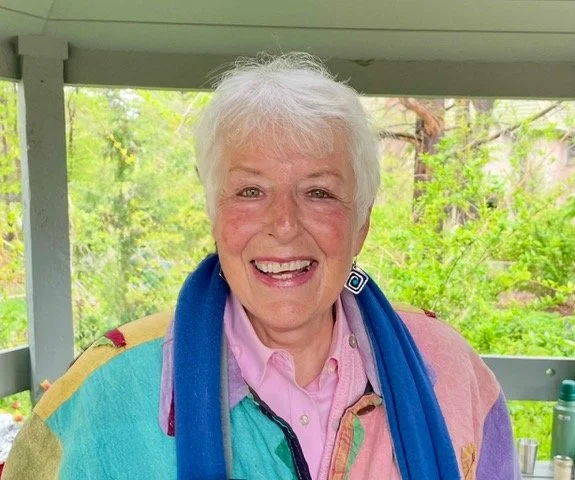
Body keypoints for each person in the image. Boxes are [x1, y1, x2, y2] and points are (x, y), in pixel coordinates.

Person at [3, 53, 520, 480]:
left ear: (361, 224)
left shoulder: (452, 370)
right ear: (214, 215)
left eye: (319, 192)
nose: (284, 225)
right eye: (250, 191)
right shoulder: (106, 389)